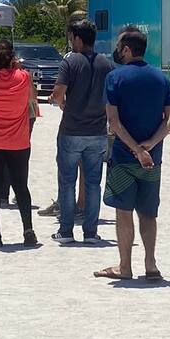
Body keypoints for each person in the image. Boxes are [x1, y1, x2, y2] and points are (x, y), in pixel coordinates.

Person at [92, 27, 170, 280]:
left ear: (127, 49)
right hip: (153, 160)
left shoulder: (116, 78)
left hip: (124, 159)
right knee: (149, 213)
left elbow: (114, 122)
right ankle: (151, 265)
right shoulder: (160, 78)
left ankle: (125, 266)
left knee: (123, 211)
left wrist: (136, 149)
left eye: (120, 47)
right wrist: (150, 145)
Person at [49, 19, 113, 244]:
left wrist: (64, 103)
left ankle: (66, 231)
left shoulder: (70, 62)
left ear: (77, 38)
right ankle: (90, 232)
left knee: (67, 182)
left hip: (71, 130)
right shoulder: (107, 64)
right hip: (97, 132)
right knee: (93, 183)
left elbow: (58, 93)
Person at [0, 39, 39, 247]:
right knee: (21, 186)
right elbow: (32, 100)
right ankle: (28, 231)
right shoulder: (24, 77)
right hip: (18, 141)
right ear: (12, 58)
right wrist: (19, 69)